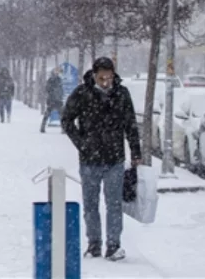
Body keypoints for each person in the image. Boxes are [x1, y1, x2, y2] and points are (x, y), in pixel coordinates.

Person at [61, 57, 142, 262]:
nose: (106, 82)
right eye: (101, 78)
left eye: (109, 78)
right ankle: (94, 244)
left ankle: (113, 245)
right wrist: (82, 143)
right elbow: (66, 119)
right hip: (89, 159)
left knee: (114, 204)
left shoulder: (121, 94)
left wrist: (136, 152)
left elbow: (130, 124)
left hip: (115, 158)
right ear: (94, 75)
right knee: (91, 204)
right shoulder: (82, 93)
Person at [42, 67, 65, 133]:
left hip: (56, 100)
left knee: (51, 114)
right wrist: (56, 94)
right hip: (53, 100)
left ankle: (43, 127)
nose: (58, 73)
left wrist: (60, 95)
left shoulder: (58, 79)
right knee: (58, 114)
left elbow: (60, 89)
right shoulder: (52, 80)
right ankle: (42, 127)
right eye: (57, 72)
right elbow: (48, 89)